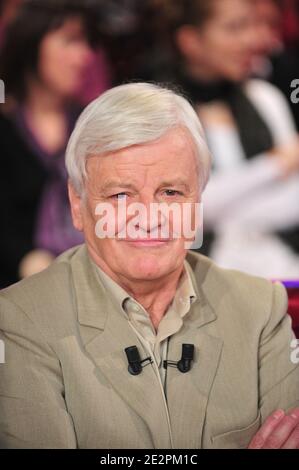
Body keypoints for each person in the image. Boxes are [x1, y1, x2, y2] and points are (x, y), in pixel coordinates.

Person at [0, 83, 298, 449]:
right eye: (121, 195)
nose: (148, 217)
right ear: (77, 205)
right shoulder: (18, 320)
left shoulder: (261, 307)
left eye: (171, 192)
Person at [147, 0, 299, 279]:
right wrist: (275, 165)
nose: (251, 39)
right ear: (190, 40)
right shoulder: (158, 112)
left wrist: (220, 210)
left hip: (284, 271)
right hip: (195, 282)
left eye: (251, 26)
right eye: (234, 28)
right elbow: (171, 212)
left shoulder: (264, 98)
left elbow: (295, 199)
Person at [0, 0, 98, 288]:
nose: (84, 57)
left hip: (91, 275)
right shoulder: (5, 129)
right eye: (70, 42)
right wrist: (31, 263)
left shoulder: (90, 125)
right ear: (31, 45)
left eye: (86, 44)